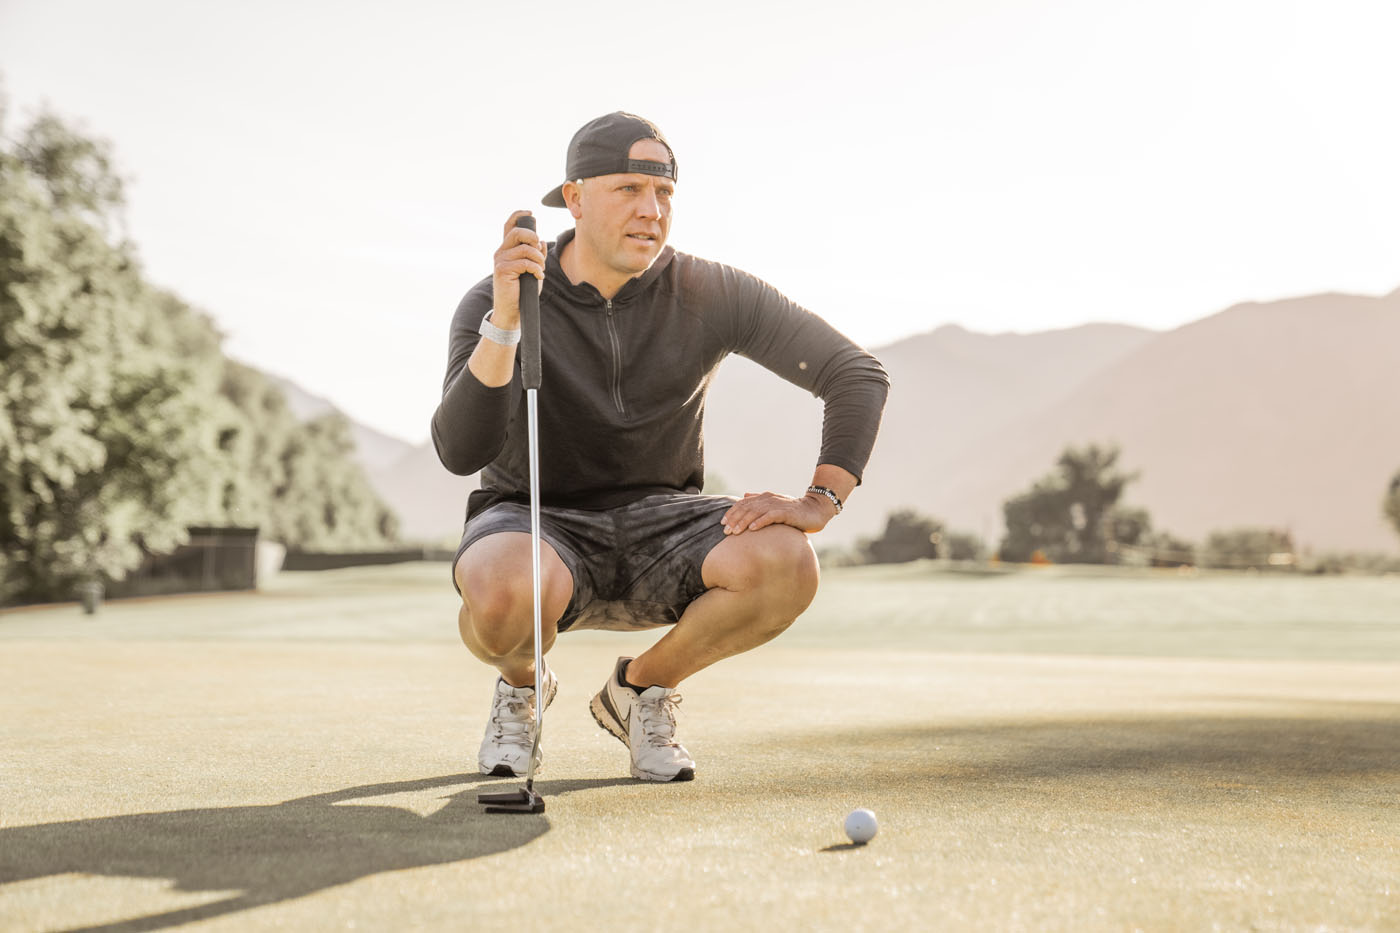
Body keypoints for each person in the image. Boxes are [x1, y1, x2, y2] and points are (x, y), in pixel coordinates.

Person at [432, 112, 889, 783]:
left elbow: (855, 374)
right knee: (502, 596)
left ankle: (640, 689)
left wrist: (823, 498)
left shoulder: (710, 291)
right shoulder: (500, 297)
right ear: (577, 198)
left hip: (663, 521)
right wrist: (504, 320)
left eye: (665, 195)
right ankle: (524, 687)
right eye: (628, 191)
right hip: (536, 519)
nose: (652, 212)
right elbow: (460, 448)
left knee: (789, 561)